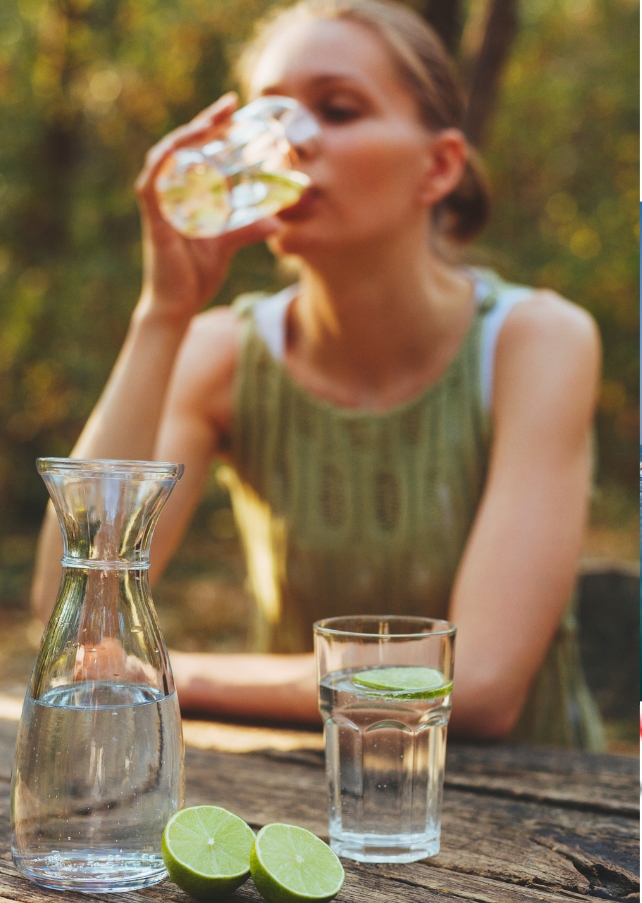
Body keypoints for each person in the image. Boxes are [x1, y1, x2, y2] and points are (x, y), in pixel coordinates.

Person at [31, 0, 604, 748]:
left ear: (438, 167)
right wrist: (162, 312)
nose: (288, 147)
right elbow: (74, 603)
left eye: (336, 110)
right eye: (268, 118)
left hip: (550, 820)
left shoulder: (537, 341)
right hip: (308, 802)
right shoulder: (219, 350)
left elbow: (482, 681)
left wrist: (159, 671)